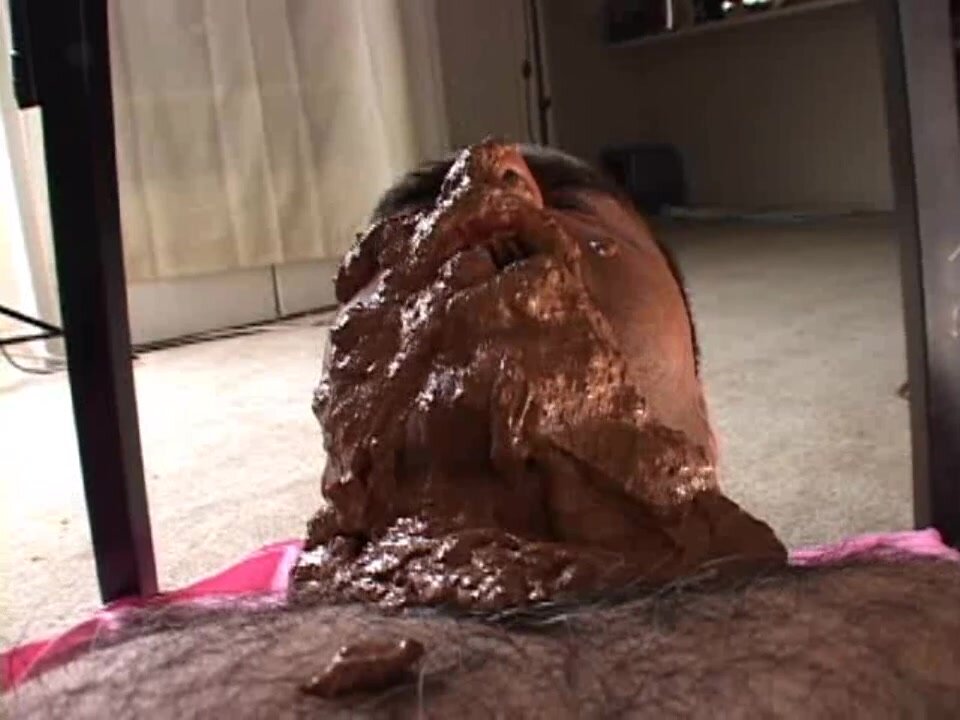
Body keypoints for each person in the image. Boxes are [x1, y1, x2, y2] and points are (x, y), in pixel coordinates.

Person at [5, 144, 960, 719]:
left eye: (572, 213)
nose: (488, 175)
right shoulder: (128, 641)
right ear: (344, 417)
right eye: (414, 234)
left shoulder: (913, 590)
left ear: (705, 420)